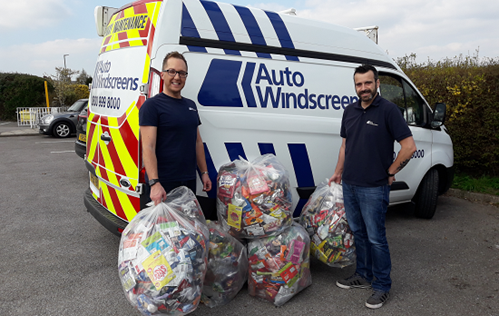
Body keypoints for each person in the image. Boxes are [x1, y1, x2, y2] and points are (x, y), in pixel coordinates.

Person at [329, 64, 416, 309]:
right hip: (350, 184)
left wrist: (391, 171)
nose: (363, 88)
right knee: (359, 233)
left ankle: (382, 286)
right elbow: (345, 146)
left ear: (377, 83)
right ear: (355, 86)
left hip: (374, 188)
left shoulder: (388, 110)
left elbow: (408, 146)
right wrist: (338, 172)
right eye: (359, 84)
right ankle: (363, 276)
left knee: (376, 238)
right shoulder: (350, 111)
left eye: (368, 83)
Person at [140, 51, 212, 206]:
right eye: (171, 71)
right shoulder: (151, 106)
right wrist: (154, 183)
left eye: (181, 73)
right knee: (163, 229)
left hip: (188, 181)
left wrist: (204, 173)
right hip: (163, 183)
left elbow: (197, 142)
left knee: (185, 228)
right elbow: (148, 147)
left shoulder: (191, 106)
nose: (177, 77)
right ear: (162, 75)